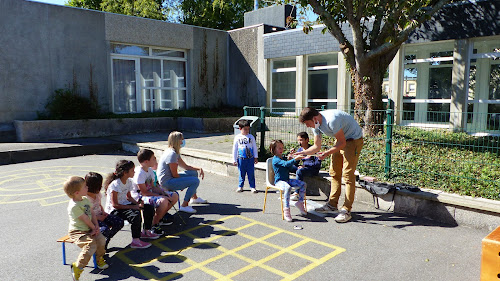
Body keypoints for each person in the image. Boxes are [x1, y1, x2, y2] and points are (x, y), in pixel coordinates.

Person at [296, 107, 363, 223]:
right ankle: (332, 205)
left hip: (353, 140)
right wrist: (302, 152)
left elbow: (342, 143)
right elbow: (316, 147)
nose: (307, 126)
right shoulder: (316, 125)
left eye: (307, 123)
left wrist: (327, 153)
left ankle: (346, 210)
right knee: (334, 173)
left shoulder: (332, 120)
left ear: (314, 118)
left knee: (348, 175)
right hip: (341, 140)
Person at [104, 160, 157, 249]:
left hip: (125, 205)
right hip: (115, 210)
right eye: (132, 170)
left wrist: (138, 203)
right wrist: (133, 206)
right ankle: (135, 241)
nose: (134, 171)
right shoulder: (115, 185)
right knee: (135, 216)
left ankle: (146, 231)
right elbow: (115, 205)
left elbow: (128, 196)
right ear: (125, 173)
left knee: (148, 207)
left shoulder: (128, 181)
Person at [64, 176, 108, 281]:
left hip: (90, 228)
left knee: (101, 239)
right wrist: (94, 228)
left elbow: (92, 213)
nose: (87, 187)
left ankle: (99, 259)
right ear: (76, 193)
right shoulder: (74, 206)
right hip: (78, 231)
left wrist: (96, 226)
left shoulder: (84, 199)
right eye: (84, 186)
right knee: (91, 245)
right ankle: (78, 267)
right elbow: (85, 219)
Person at [132, 149, 179, 235]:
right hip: (140, 197)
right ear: (146, 161)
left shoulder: (150, 171)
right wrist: (162, 196)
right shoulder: (139, 173)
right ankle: (153, 224)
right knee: (163, 201)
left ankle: (159, 218)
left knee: (174, 196)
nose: (155, 159)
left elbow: (153, 187)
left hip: (149, 194)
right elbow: (144, 192)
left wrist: (163, 192)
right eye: (153, 158)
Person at [157, 131, 206, 214]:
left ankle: (194, 198)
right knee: (195, 181)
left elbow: (186, 167)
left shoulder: (174, 152)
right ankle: (184, 205)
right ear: (177, 141)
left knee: (193, 173)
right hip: (167, 182)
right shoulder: (171, 154)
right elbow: (175, 174)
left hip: (170, 178)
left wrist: (198, 169)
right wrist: (183, 184)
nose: (183, 141)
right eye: (181, 139)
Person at [270, 139, 307, 222]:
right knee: (287, 188)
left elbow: (289, 167)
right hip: (279, 182)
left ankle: (300, 203)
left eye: (282, 147)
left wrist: (291, 160)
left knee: (303, 184)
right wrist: (294, 159)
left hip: (287, 180)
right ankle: (286, 210)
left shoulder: (283, 158)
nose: (281, 149)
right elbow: (285, 164)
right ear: (273, 149)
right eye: (279, 148)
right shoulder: (276, 159)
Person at [85, 172, 124, 250]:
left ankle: (106, 241)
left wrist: (103, 212)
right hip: (91, 220)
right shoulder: (85, 198)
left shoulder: (97, 194)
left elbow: (99, 205)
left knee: (119, 222)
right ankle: (99, 248)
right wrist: (98, 218)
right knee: (104, 230)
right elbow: (85, 215)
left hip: (100, 215)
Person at [288, 132, 322, 201]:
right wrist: (292, 158)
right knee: (287, 166)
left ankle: (297, 193)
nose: (299, 142)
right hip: (303, 168)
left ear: (307, 140)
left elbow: (317, 164)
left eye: (301, 140)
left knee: (299, 171)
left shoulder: (313, 149)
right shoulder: (300, 150)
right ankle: (284, 187)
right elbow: (296, 163)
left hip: (312, 169)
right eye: (298, 140)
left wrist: (305, 165)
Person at [233, 119, 259, 193]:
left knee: (251, 173)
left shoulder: (251, 137)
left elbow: (254, 147)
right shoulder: (237, 137)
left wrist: (255, 157)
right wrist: (234, 159)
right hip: (241, 159)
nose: (247, 131)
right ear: (240, 128)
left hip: (250, 159)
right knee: (241, 173)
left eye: (248, 129)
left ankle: (252, 187)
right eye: (245, 129)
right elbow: (235, 149)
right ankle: (240, 186)